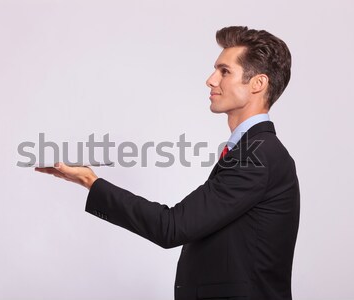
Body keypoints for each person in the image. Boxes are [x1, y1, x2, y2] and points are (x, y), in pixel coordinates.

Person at [35, 26, 300, 300]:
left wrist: (91, 182)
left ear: (258, 83)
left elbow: (172, 227)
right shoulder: (254, 151)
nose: (210, 80)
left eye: (224, 71)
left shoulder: (258, 155)